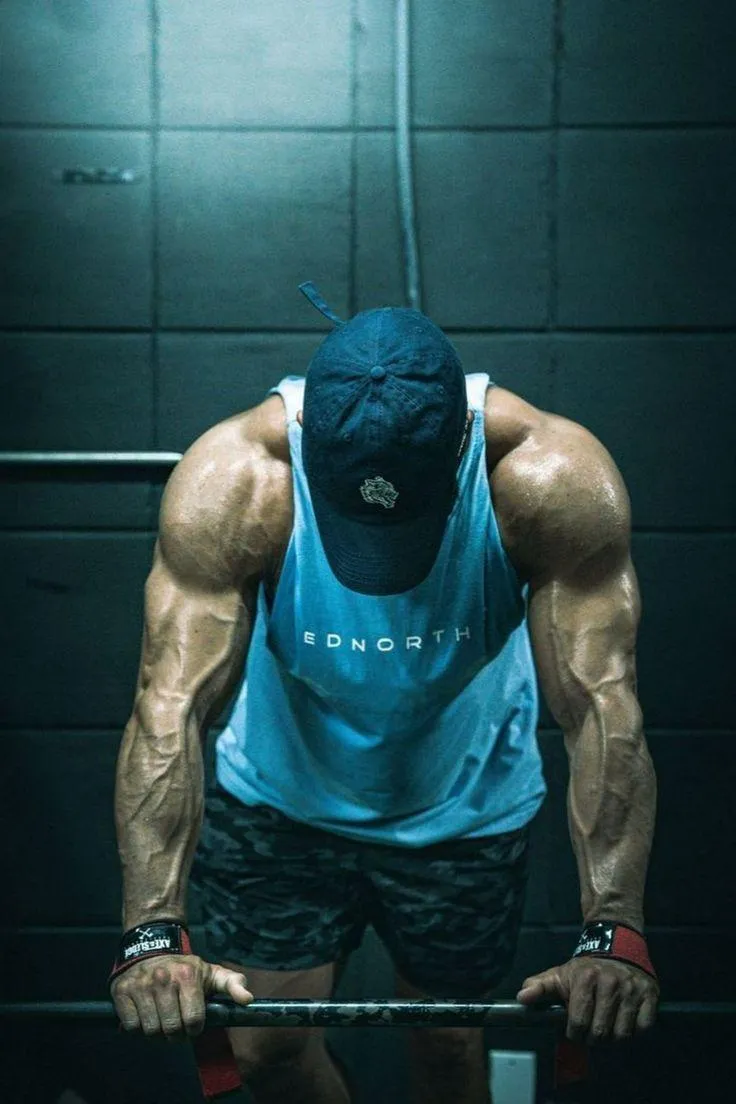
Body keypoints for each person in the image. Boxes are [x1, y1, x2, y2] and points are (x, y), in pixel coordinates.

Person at [110, 285, 659, 1104]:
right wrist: (151, 930)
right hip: (283, 801)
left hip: (466, 807)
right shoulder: (237, 480)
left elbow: (600, 706)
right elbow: (170, 707)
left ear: (463, 437)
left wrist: (615, 927)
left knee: (444, 1047)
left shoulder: (547, 478)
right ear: (308, 443)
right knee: (265, 1053)